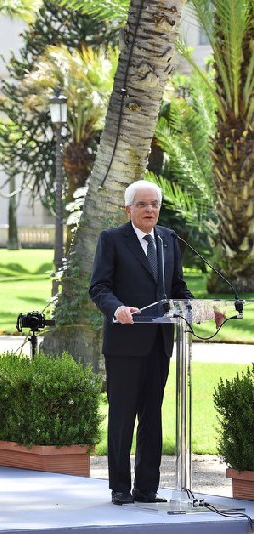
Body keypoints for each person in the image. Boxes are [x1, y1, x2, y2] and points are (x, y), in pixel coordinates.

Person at [89, 179, 193, 506]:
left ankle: (147, 488)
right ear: (128, 209)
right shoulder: (112, 240)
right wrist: (116, 309)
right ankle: (120, 487)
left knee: (152, 416)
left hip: (160, 342)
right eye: (143, 204)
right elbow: (99, 287)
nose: (150, 210)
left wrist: (202, 310)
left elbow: (178, 287)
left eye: (154, 205)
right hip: (125, 344)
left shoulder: (168, 240)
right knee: (122, 415)